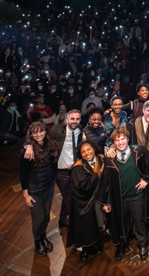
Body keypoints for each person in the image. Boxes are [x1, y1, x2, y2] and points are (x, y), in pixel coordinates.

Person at [100, 127, 149, 262]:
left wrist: (146, 179)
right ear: (113, 143)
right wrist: (107, 202)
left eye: (123, 139)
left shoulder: (138, 151)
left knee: (139, 221)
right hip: (119, 199)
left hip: (136, 196)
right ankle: (120, 245)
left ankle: (142, 245)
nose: (120, 142)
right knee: (121, 223)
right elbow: (106, 182)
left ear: (128, 139)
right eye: (117, 140)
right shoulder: (110, 159)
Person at [23, 110, 84, 228]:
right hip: (61, 171)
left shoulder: (80, 129)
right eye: (72, 118)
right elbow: (39, 135)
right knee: (69, 197)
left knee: (71, 195)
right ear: (66, 119)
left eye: (77, 119)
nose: (75, 121)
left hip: (75, 170)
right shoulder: (57, 130)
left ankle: (63, 219)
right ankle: (77, 223)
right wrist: (28, 144)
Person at [19, 122, 57, 257]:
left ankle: (43, 236)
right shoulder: (26, 151)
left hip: (49, 185)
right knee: (38, 218)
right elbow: (22, 173)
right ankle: (37, 240)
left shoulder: (50, 145)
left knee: (46, 215)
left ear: (45, 132)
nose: (38, 134)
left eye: (41, 131)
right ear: (31, 134)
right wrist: (25, 194)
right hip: (34, 189)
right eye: (35, 132)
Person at [66, 140, 104, 261]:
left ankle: (95, 243)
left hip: (99, 197)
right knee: (85, 224)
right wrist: (98, 174)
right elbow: (82, 186)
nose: (87, 153)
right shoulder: (78, 167)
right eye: (83, 152)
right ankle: (85, 248)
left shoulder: (101, 159)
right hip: (83, 200)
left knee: (95, 223)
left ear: (94, 148)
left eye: (89, 149)